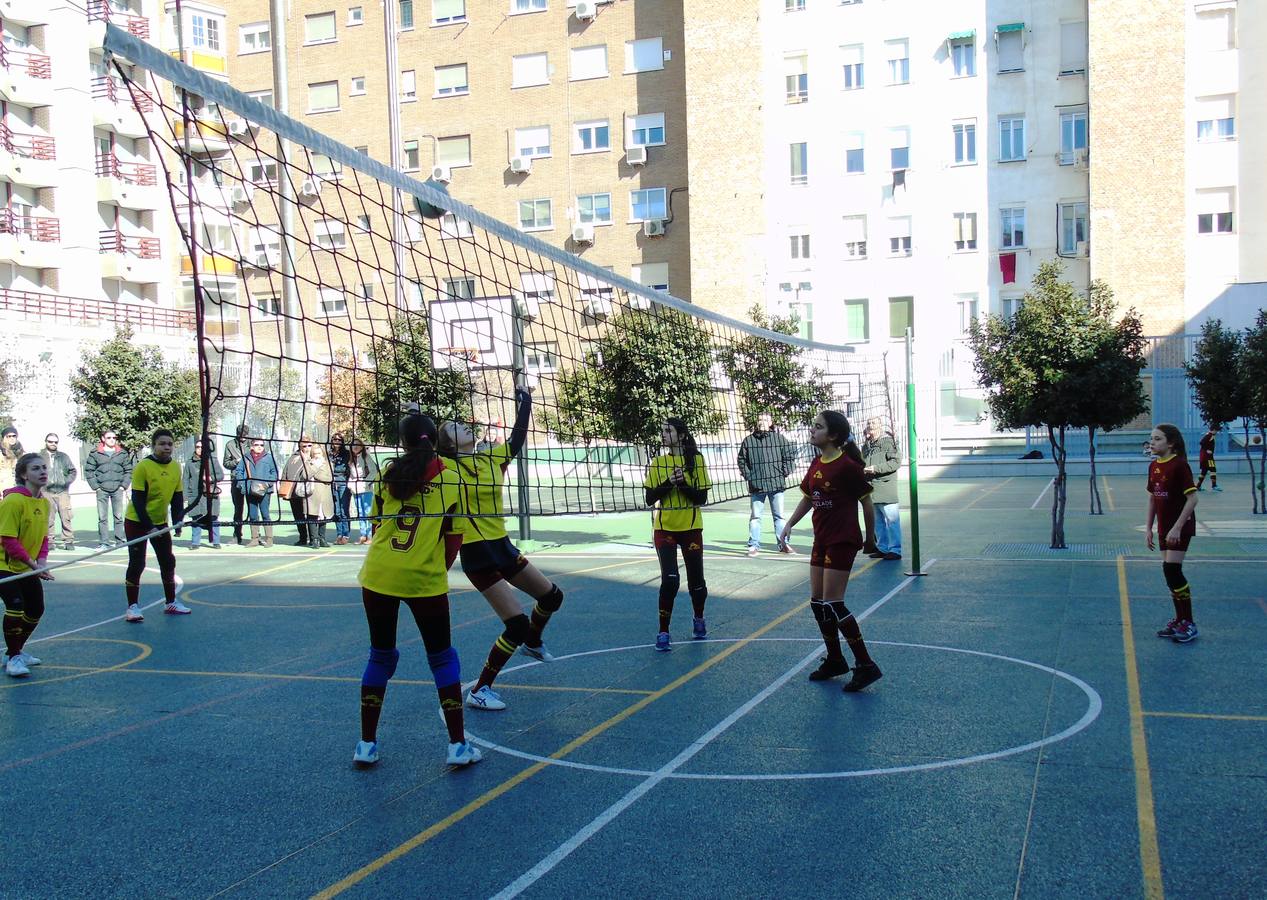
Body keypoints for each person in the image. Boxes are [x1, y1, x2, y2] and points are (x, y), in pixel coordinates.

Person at [354, 413, 481, 767]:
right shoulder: (452, 478)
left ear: (405, 442)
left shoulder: (388, 472)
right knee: (442, 658)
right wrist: (431, 572)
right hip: (423, 577)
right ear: (435, 441)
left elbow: (377, 524)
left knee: (381, 656)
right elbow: (454, 538)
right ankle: (457, 746)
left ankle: (366, 745)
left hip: (378, 573)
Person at [439, 388, 566, 712]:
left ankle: (533, 644)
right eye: (455, 427)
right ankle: (481, 689)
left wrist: (526, 402)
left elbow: (518, 438)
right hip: (476, 552)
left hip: (501, 544)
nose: (463, 425)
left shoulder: (491, 457)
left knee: (552, 597)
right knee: (516, 625)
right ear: (450, 444)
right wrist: (414, 415)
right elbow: (420, 447)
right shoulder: (446, 468)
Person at [779, 410, 883, 692]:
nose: (812, 430)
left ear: (834, 435)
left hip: (842, 539)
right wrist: (789, 523)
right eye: (813, 426)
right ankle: (836, 659)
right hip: (822, 539)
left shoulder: (847, 466)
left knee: (834, 603)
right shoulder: (816, 463)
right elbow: (808, 498)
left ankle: (865, 665)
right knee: (817, 602)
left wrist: (870, 538)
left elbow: (867, 502)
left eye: (818, 427)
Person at [644, 417, 711, 652]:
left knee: (696, 582)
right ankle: (663, 631)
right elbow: (650, 498)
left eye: (668, 431)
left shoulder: (696, 460)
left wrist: (682, 483)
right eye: (661, 431)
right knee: (670, 580)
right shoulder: (658, 462)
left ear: (681, 435)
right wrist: (669, 482)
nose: (663, 435)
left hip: (691, 528)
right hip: (665, 529)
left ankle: (699, 618)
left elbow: (701, 498)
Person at [123, 429, 190, 622]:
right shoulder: (143, 467)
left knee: (168, 561)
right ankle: (132, 607)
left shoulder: (176, 467)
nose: (166, 447)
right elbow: (137, 499)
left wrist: (178, 520)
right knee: (137, 563)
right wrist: (149, 526)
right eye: (162, 443)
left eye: (170, 443)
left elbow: (177, 497)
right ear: (154, 445)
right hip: (137, 522)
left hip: (160, 523)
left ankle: (171, 602)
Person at [1, 453, 53, 677]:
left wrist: (41, 562)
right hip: (4, 566)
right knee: (16, 606)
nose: (42, 472)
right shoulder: (13, 501)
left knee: (36, 608)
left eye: (44, 467)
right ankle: (13, 659)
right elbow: (9, 540)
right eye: (35, 469)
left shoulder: (44, 502)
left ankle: (15, 650)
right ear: (23, 474)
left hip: (26, 565)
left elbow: (43, 538)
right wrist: (34, 565)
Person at [1147, 424, 1200, 644]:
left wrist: (1177, 527)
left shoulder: (1179, 466)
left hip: (1179, 528)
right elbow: (1152, 498)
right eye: (1152, 439)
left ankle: (1189, 622)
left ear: (1171, 443)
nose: (1152, 443)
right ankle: (1179, 620)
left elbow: (1193, 498)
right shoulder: (1153, 466)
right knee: (1169, 574)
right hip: (1163, 528)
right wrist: (1149, 527)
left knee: (1173, 570)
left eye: (1158, 439)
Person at [737, 412, 798, 557]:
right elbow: (741, 460)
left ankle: (783, 543)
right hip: (757, 486)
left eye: (765, 419)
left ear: (770, 422)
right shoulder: (748, 441)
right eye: (759, 419)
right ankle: (753, 545)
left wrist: (784, 472)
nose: (761, 422)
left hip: (776, 485)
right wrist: (750, 476)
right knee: (755, 517)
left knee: (779, 516)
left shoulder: (779, 439)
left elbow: (789, 457)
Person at [861, 417, 902, 561]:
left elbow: (896, 462)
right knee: (877, 521)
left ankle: (895, 550)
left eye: (873, 423)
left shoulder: (888, 442)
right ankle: (883, 548)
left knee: (892, 520)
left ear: (880, 426)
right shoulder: (866, 445)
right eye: (868, 423)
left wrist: (876, 469)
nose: (870, 425)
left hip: (885, 486)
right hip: (871, 489)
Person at [84, 429, 132, 549]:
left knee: (118, 517)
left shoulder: (122, 453)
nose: (112, 440)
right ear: (103, 439)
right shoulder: (95, 453)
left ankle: (120, 542)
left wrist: (123, 486)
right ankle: (104, 543)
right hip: (102, 490)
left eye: (114, 438)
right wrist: (96, 487)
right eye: (109, 437)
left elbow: (128, 470)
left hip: (117, 490)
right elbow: (89, 471)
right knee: (102, 518)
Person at [234, 437, 277, 548]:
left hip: (264, 492)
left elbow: (274, 473)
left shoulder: (268, 458)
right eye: (257, 444)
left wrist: (267, 485)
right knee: (253, 515)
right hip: (250, 491)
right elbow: (239, 472)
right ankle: (254, 539)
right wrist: (243, 486)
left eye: (262, 445)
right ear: (252, 446)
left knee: (265, 514)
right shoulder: (246, 458)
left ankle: (269, 539)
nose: (259, 447)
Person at [183, 437, 224, 549]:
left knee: (213, 517)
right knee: (196, 519)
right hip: (195, 495)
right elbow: (185, 479)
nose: (200, 449)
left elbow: (220, 475)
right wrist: (185, 495)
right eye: (198, 447)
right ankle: (195, 543)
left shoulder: (213, 460)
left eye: (202, 447)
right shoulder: (189, 462)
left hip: (210, 494)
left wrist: (211, 478)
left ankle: (216, 542)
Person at [39, 433, 77, 551]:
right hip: (46, 491)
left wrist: (66, 482)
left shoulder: (64, 456)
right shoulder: (39, 456)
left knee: (66, 516)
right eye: (50, 441)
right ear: (46, 442)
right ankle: (49, 541)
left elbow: (73, 471)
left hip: (62, 491)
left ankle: (68, 541)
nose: (53, 444)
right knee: (48, 517)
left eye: (55, 442)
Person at [281, 438, 315, 546]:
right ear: (299, 447)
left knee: (311, 514)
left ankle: (314, 538)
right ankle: (303, 537)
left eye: (309, 446)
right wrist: (284, 486)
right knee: (298, 516)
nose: (307, 448)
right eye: (304, 446)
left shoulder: (315, 457)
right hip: (294, 491)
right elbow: (285, 472)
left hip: (309, 490)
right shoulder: (293, 458)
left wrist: (307, 460)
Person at [347, 436, 380, 544]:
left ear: (361, 447)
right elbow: (352, 475)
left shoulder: (367, 457)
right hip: (355, 489)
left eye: (357, 445)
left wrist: (366, 483)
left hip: (366, 489)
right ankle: (363, 535)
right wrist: (350, 484)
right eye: (353, 445)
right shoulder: (351, 459)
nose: (355, 447)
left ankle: (370, 536)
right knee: (360, 512)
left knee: (368, 511)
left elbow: (373, 472)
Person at [223, 424, 251, 545]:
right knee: (238, 509)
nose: (243, 438)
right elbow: (226, 463)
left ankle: (256, 535)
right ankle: (237, 534)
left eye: (245, 436)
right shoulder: (230, 445)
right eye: (241, 436)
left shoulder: (252, 444)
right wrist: (237, 461)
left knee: (253, 509)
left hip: (251, 479)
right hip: (236, 480)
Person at [329, 433, 352, 544]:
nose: (337, 441)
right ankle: (339, 534)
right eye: (335, 439)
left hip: (343, 483)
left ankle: (346, 535)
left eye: (339, 440)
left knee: (344, 510)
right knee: (336, 511)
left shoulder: (346, 453)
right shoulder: (329, 454)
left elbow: (345, 467)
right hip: (332, 483)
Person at [1196, 425, 1222, 492]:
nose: (1217, 432)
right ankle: (1214, 486)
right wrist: (1207, 449)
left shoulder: (1210, 435)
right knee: (1213, 469)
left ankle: (1198, 486)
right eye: (1216, 430)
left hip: (1204, 457)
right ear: (1213, 430)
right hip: (1208, 457)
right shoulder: (1209, 435)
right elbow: (1201, 442)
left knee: (1204, 471)